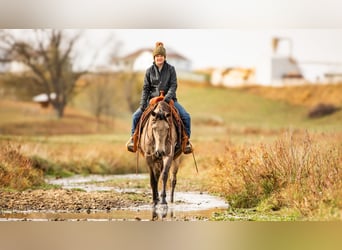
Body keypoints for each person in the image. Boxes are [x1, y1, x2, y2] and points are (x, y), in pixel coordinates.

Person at [126, 41, 192, 154]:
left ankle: (185, 142)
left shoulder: (171, 69)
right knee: (135, 116)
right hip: (152, 101)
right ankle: (134, 139)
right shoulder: (149, 71)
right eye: (157, 56)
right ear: (154, 57)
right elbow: (146, 89)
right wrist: (143, 104)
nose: (159, 58)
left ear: (164, 57)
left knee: (186, 117)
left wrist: (166, 98)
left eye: (161, 56)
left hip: (170, 100)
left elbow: (173, 85)